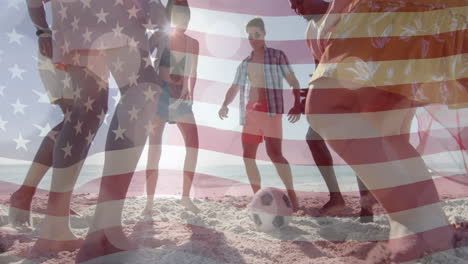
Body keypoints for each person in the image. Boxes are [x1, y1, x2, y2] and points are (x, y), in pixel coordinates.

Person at [288, 0, 466, 262]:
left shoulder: (323, 20)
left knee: (328, 109)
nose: (296, 7)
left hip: (390, 10)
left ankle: (419, 224)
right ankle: (428, 227)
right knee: (386, 133)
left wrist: (336, 12)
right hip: (417, 13)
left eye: (299, 1)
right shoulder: (310, 30)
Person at [8, 0, 83, 227]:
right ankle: (27, 194)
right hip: (61, 49)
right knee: (76, 121)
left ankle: (53, 196)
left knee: (79, 125)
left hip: (81, 50)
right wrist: (42, 31)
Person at [218, 17, 302, 210]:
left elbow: (293, 80)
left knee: (275, 154)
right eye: (250, 36)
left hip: (271, 111)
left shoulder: (277, 56)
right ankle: (257, 197)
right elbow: (234, 86)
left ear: (264, 34)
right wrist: (224, 104)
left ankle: (292, 194)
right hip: (251, 113)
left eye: (257, 34)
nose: (253, 39)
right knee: (248, 156)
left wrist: (297, 103)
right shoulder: (245, 63)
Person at [142, 0, 200, 215]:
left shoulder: (193, 43)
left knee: (193, 146)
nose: (182, 18)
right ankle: (149, 203)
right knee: (154, 149)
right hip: (160, 94)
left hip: (182, 96)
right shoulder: (161, 36)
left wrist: (190, 91)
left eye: (185, 14)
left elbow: (193, 72)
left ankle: (185, 198)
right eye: (177, 14)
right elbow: (142, 55)